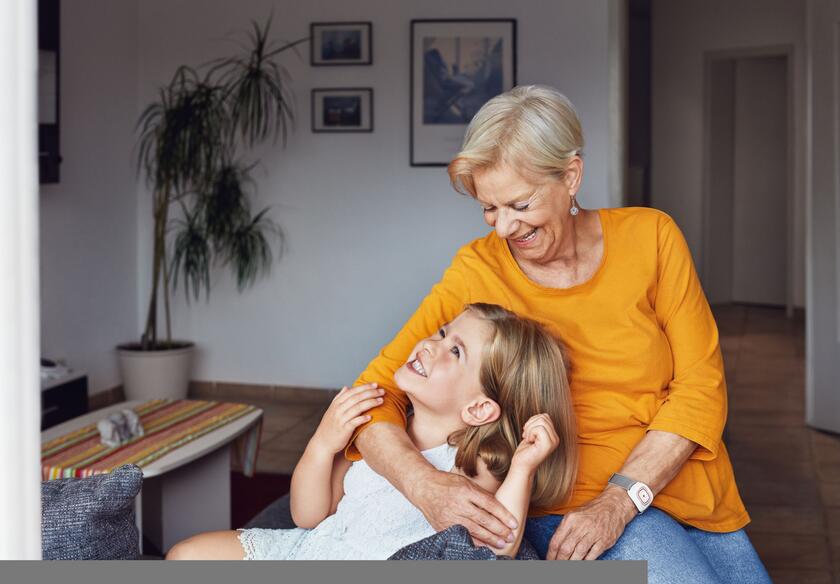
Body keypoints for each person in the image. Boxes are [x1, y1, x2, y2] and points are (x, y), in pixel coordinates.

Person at [345, 86, 771, 583]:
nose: (503, 227)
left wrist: (621, 499)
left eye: (519, 204)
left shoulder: (652, 238)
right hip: (570, 510)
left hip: (673, 487)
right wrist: (425, 485)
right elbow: (374, 396)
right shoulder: (476, 270)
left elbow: (701, 387)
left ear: (571, 177)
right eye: (488, 208)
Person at [166, 303, 577, 560]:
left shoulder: (472, 462)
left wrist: (523, 467)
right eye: (441, 333)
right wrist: (322, 443)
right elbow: (308, 515)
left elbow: (498, 547)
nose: (430, 345)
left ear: (479, 408)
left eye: (456, 351)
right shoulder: (381, 430)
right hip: (316, 551)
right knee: (186, 556)